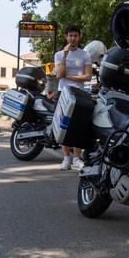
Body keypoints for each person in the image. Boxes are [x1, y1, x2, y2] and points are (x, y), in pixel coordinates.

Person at [54, 25, 92, 170]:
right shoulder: (59, 54)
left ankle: (77, 158)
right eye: (70, 36)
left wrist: (69, 76)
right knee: (64, 125)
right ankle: (66, 158)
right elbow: (58, 74)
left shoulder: (85, 55)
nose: (73, 38)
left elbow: (87, 76)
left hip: (79, 93)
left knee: (79, 126)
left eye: (75, 35)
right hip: (63, 93)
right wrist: (64, 55)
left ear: (79, 36)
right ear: (66, 37)